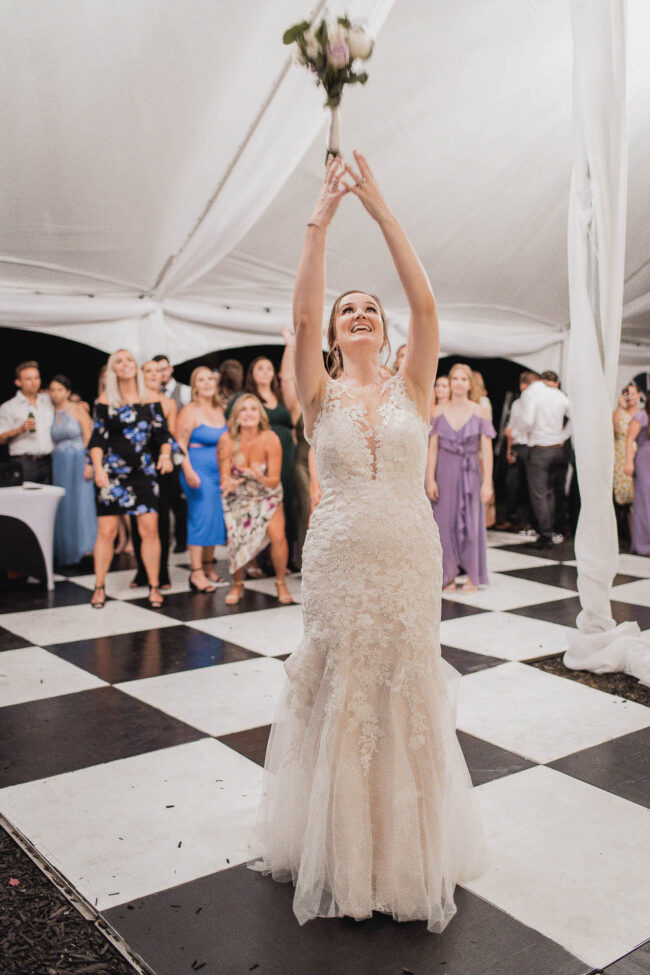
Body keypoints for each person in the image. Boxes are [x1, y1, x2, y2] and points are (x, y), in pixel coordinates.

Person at [250, 153, 484, 932]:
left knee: (404, 687)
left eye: (368, 311)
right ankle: (343, 849)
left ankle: (405, 852)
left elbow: (424, 299)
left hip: (407, 557)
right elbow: (305, 310)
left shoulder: (416, 384)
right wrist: (320, 218)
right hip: (341, 560)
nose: (357, 315)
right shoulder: (315, 393)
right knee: (347, 687)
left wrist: (381, 207)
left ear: (385, 332)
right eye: (347, 310)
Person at [88, 349, 173, 609]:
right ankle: (99, 586)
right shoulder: (105, 401)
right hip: (112, 474)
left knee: (149, 529)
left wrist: (166, 456)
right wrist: (99, 468)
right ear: (113, 369)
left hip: (143, 473)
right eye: (120, 361)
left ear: (135, 367)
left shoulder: (150, 399)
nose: (125, 364)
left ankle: (154, 585)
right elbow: (97, 439)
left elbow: (163, 436)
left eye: (129, 360)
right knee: (107, 532)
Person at [426, 362, 495, 591]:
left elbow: (486, 450)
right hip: (444, 470)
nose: (458, 383)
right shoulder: (437, 411)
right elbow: (432, 448)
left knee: (473, 525)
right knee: (443, 525)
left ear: (470, 384)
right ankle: (448, 576)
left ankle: (474, 577)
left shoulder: (480, 412)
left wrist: (487, 482)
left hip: (471, 472)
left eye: (463, 379)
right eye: (454, 378)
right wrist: (429, 479)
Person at [217, 394, 291, 605]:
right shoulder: (227, 440)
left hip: (268, 494)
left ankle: (280, 582)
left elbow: (274, 480)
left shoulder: (270, 439)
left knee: (278, 537)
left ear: (260, 415)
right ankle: (237, 584)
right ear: (236, 415)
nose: (249, 414)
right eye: (244, 409)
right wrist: (229, 483)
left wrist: (260, 476)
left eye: (253, 409)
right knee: (236, 538)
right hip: (239, 496)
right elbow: (224, 476)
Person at [227, 357, 297, 556]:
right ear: (252, 373)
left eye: (269, 368)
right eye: (260, 368)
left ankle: (285, 554)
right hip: (259, 455)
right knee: (258, 507)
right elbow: (232, 425)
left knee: (287, 502)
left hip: (286, 453)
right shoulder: (247, 398)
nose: (265, 372)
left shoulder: (280, 395)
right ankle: (256, 557)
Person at [129, 360, 180, 589]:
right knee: (137, 520)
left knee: (160, 520)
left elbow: (172, 435)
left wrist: (165, 456)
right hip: (136, 466)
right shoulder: (132, 401)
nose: (152, 374)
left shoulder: (169, 403)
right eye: (147, 370)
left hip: (162, 465)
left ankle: (162, 572)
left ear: (163, 376)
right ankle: (142, 571)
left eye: (157, 371)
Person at [177, 366, 227, 592]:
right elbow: (179, 445)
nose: (207, 383)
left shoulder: (220, 409)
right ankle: (196, 571)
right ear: (194, 385)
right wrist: (188, 470)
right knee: (200, 517)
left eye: (210, 379)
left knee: (215, 518)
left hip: (219, 470)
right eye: (201, 380)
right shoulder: (190, 410)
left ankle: (208, 565)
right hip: (197, 470)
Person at [518, 371, 570, 549]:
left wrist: (523, 433)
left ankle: (546, 534)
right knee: (551, 492)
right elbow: (575, 417)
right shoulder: (559, 395)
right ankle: (552, 530)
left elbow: (527, 420)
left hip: (540, 448)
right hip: (557, 448)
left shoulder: (530, 393)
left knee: (539, 494)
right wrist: (563, 435)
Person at [49, 375, 96, 565]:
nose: (55, 394)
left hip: (78, 459)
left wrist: (89, 462)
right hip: (60, 462)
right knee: (64, 503)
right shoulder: (50, 411)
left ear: (68, 392)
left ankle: (86, 547)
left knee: (82, 501)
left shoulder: (77, 409)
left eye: (60, 390)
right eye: (52, 390)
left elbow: (88, 435)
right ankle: (66, 548)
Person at [153, 354, 190, 552]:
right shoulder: (149, 394)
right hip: (156, 451)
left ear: (171, 368)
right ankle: (164, 540)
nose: (161, 373)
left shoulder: (184, 391)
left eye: (164, 368)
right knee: (163, 499)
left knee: (179, 497)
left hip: (177, 450)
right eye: (157, 370)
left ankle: (182, 540)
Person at [0, 361, 54, 483]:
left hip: (48, 462)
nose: (34, 382)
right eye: (28, 379)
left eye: (36, 377)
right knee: (26, 501)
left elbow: (66, 403)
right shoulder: (9, 407)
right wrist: (19, 429)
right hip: (24, 463)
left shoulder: (48, 400)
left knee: (49, 500)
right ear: (18, 382)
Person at [500, 371, 535, 532]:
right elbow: (510, 429)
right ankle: (512, 519)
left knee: (530, 486)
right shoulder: (516, 404)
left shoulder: (537, 402)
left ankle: (530, 522)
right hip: (517, 446)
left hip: (531, 447)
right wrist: (509, 449)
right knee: (511, 484)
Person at [613, 382, 639, 540]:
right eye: (626, 393)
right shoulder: (618, 413)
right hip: (621, 456)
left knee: (638, 494)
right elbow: (615, 429)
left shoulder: (642, 414)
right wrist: (619, 407)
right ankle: (623, 533)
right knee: (623, 493)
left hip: (640, 454)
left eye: (633, 394)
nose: (630, 397)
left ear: (639, 396)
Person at [625, 399, 650, 556]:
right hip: (643, 461)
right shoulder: (641, 416)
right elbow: (629, 440)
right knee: (644, 501)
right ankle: (642, 544)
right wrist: (629, 463)